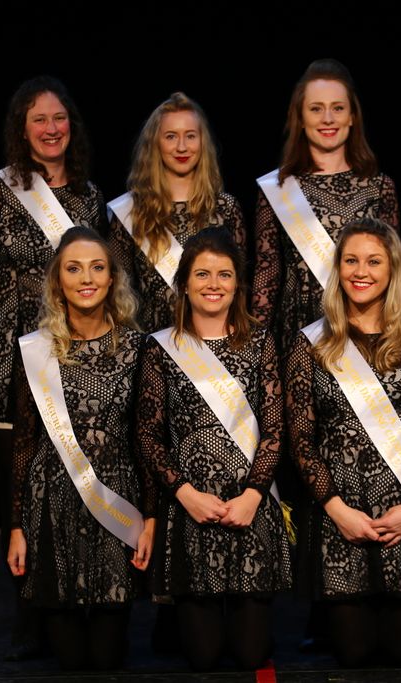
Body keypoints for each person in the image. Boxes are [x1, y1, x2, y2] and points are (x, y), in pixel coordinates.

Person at [0, 75, 107, 658]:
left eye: (59, 118)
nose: (51, 129)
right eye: (39, 119)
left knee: (71, 489)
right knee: (20, 497)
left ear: (72, 125)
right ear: (22, 130)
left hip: (74, 361)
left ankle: (75, 606)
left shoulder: (90, 197)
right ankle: (29, 618)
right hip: (7, 358)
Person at [286, 218, 401, 667]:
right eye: (351, 261)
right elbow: (300, 440)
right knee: (353, 656)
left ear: (392, 269)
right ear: (338, 269)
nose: (361, 271)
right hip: (341, 517)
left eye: (374, 261)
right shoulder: (311, 345)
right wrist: (338, 510)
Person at [137, 230, 291, 671]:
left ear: (237, 284)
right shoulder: (161, 348)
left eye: (224, 274)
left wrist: (252, 496)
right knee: (202, 658)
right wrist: (186, 494)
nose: (213, 283)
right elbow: (149, 435)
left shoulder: (260, 341)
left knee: (251, 654)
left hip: (248, 508)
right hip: (191, 511)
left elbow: (274, 430)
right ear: (184, 283)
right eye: (202, 274)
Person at [6, 226, 155, 670]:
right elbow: (23, 442)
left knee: (106, 659)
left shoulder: (138, 348)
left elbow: (146, 439)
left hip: (115, 504)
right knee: (70, 662)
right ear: (58, 281)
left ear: (112, 279)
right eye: (73, 269)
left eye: (97, 268)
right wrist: (16, 526)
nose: (86, 278)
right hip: (52, 504)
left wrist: (150, 518)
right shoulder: (36, 350)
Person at [252, 58, 399, 361]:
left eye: (338, 108)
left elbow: (393, 271)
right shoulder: (278, 190)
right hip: (299, 335)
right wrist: (255, 349)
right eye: (316, 109)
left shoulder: (380, 186)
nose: (328, 119)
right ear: (301, 118)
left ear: (352, 117)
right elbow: (267, 275)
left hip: (366, 335)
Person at [107, 92, 246, 333]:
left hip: (215, 345)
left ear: (202, 142)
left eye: (190, 136)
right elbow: (117, 296)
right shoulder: (130, 212)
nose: (182, 147)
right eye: (171, 136)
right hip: (152, 344)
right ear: (155, 143)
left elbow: (238, 288)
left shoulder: (226, 208)